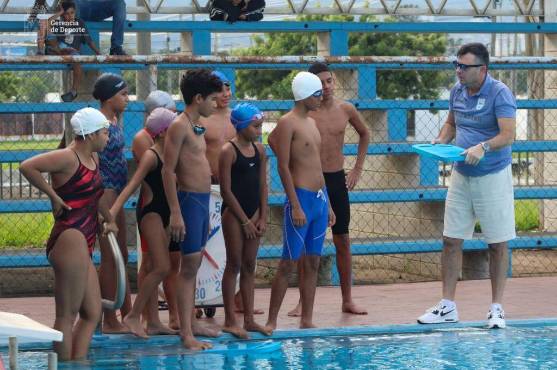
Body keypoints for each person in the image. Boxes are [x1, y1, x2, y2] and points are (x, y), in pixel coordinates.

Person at [417, 43, 516, 329]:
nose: (458, 71)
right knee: (450, 239)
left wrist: (483, 147)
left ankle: (496, 308)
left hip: (493, 175)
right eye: (456, 65)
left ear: (483, 69)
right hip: (461, 174)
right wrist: (440, 140)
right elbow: (451, 124)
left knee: (497, 243)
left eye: (465, 66)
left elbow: (508, 135)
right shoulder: (457, 91)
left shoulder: (500, 93)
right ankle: (447, 306)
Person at [20, 107, 117, 361]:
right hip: (70, 236)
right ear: (91, 134)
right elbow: (27, 166)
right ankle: (62, 366)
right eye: (105, 133)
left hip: (85, 239)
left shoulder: (93, 159)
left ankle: (78, 363)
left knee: (92, 313)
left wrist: (109, 219)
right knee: (66, 315)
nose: (108, 138)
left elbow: (95, 195)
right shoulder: (67, 157)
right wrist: (53, 195)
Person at [264, 72, 335, 332]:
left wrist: (328, 204)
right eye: (317, 94)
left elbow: (317, 166)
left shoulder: (312, 123)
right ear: (304, 95)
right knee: (288, 262)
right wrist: (294, 204)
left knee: (313, 261)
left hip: (318, 200)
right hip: (301, 198)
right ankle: (271, 320)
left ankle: (307, 318)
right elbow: (282, 167)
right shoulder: (288, 123)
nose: (322, 97)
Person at [163, 69, 223, 350]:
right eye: (212, 98)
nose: (217, 103)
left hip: (202, 200)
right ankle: (186, 334)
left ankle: (191, 323)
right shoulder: (179, 125)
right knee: (188, 268)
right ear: (198, 98)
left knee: (194, 265)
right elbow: (167, 170)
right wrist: (175, 211)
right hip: (188, 202)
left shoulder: (196, 125)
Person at [199, 70, 264, 314]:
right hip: (211, 187)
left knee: (243, 259)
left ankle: (239, 301)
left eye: (228, 88)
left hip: (239, 188)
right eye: (221, 89)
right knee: (203, 248)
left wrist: (261, 212)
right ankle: (198, 300)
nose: (226, 94)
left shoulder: (239, 117)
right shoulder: (203, 119)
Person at [110, 108, 177, 338]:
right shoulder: (151, 155)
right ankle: (132, 315)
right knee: (162, 267)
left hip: (166, 213)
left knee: (156, 266)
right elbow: (131, 186)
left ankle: (155, 322)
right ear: (162, 132)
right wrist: (112, 213)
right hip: (151, 214)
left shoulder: (171, 153)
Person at [219, 103, 271, 338]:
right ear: (240, 126)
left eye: (260, 126)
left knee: (250, 265)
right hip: (234, 215)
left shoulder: (260, 150)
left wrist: (262, 215)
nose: (259, 130)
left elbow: (262, 185)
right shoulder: (228, 151)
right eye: (255, 126)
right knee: (234, 264)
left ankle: (249, 319)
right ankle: (231, 319)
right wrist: (244, 221)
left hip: (254, 214)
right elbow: (226, 191)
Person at [132, 90, 180, 331]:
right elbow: (154, 176)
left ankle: (156, 319)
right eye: (172, 115)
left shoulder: (165, 141)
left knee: (164, 264)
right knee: (152, 264)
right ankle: (141, 316)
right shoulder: (145, 141)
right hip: (151, 209)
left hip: (167, 209)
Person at [94, 73, 133, 334]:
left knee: (122, 255)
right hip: (105, 193)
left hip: (117, 193)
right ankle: (108, 320)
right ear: (108, 98)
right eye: (123, 94)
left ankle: (127, 315)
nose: (127, 98)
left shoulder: (115, 119)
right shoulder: (98, 123)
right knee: (110, 258)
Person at [43, 1, 101, 102]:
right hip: (57, 50)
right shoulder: (58, 23)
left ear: (75, 12)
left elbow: (89, 41)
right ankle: (61, 50)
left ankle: (73, 92)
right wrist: (59, 13)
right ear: (62, 14)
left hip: (71, 53)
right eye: (66, 13)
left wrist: (98, 53)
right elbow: (47, 24)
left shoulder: (79, 23)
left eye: (72, 13)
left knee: (76, 58)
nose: (70, 16)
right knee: (51, 38)